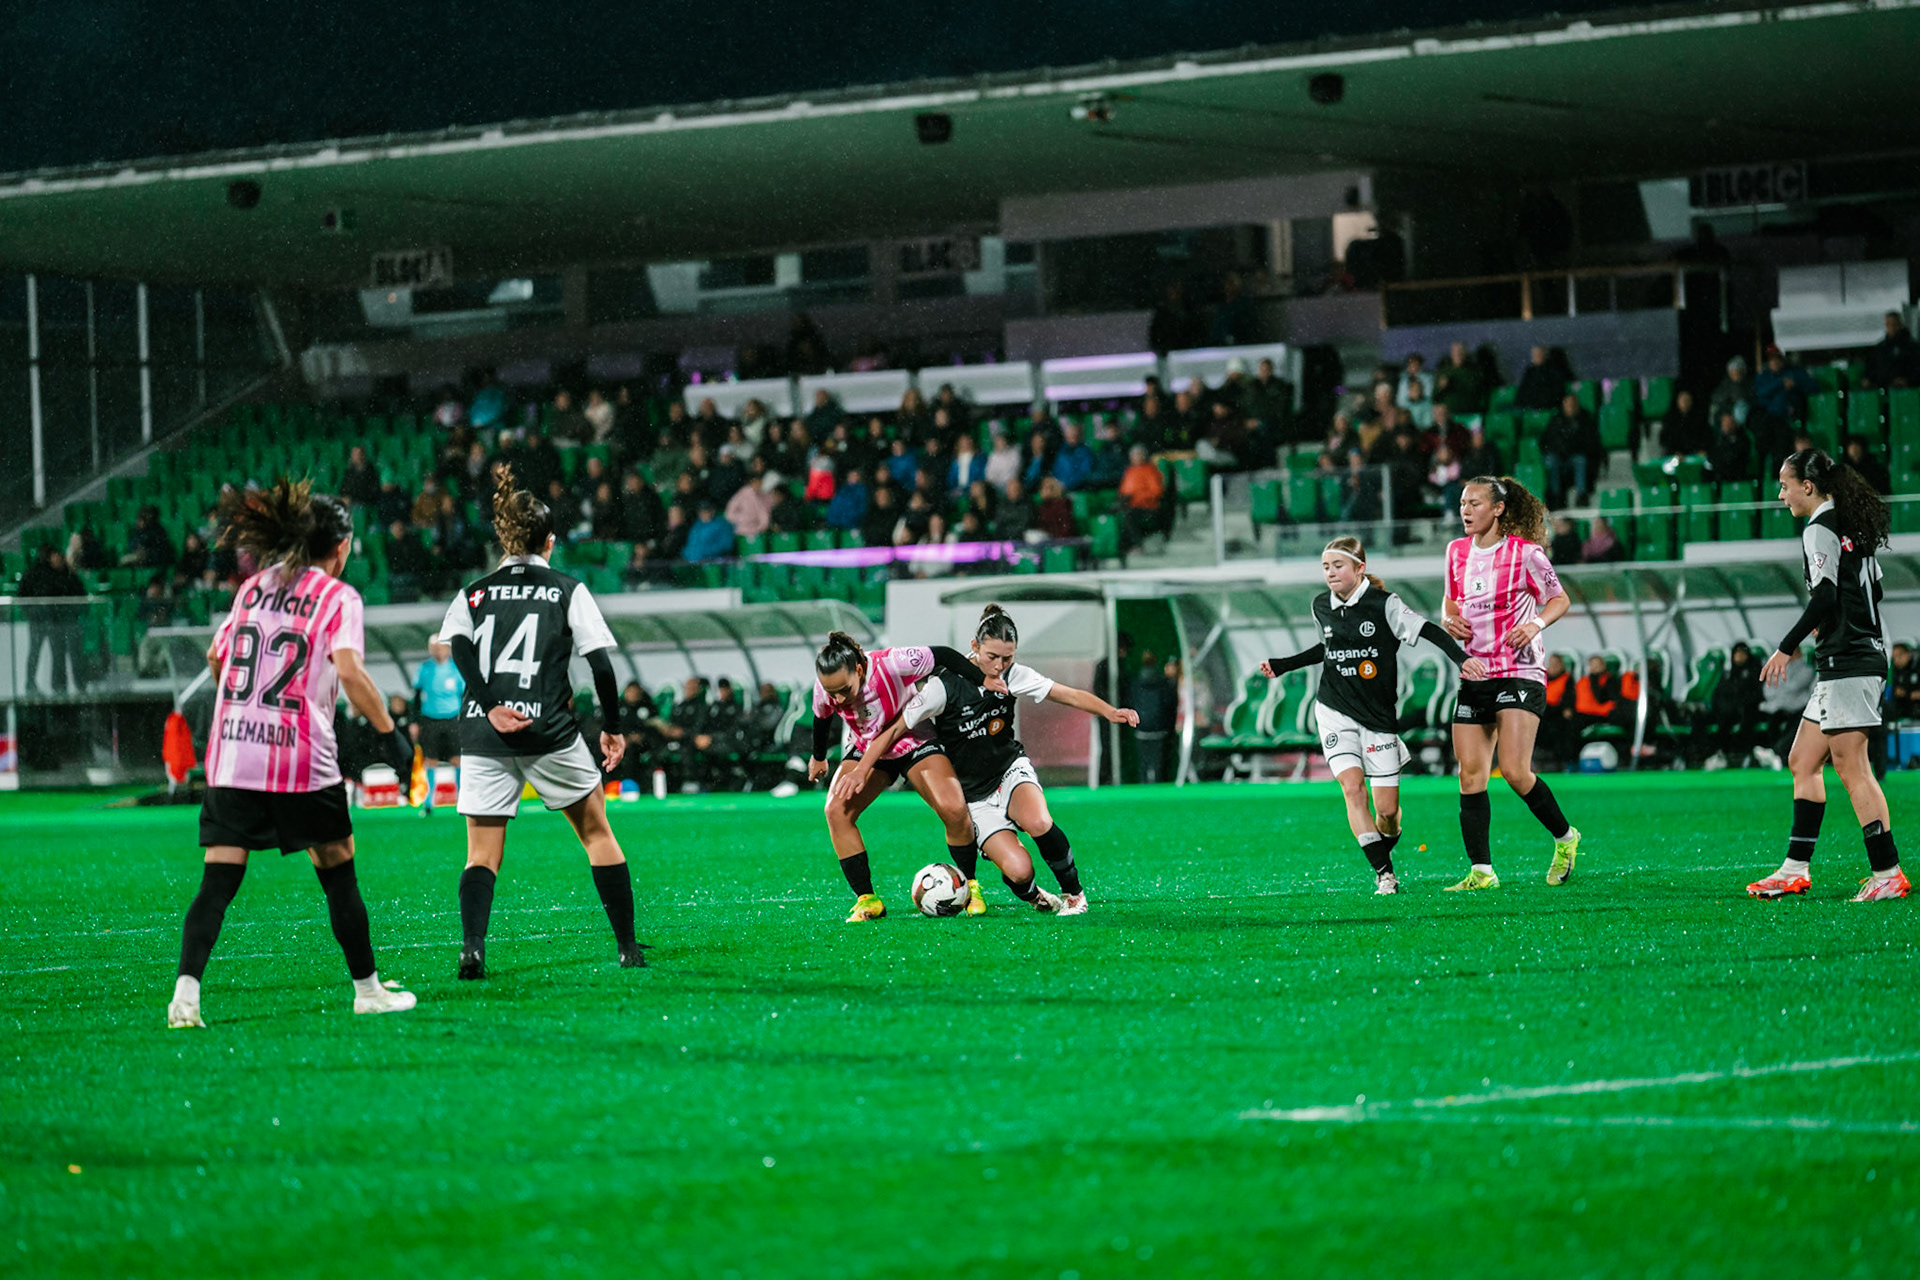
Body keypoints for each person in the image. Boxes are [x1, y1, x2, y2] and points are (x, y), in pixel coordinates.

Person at [167, 479, 417, 1029]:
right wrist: (390, 735)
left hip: (233, 753)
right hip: (300, 754)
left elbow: (217, 657)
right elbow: (349, 670)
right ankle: (368, 990)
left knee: (218, 880)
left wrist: (241, 708)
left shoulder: (253, 587)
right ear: (342, 546)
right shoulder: (338, 597)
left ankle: (185, 997)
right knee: (337, 869)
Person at [436, 466, 648, 979]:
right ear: (549, 541)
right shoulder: (566, 589)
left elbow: (458, 648)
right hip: (547, 730)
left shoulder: (475, 592)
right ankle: (627, 947)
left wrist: (488, 705)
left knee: (481, 853)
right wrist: (613, 727)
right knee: (597, 833)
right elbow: (600, 663)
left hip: (485, 733)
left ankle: (473, 948)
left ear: (503, 539)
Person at [843, 606, 1137, 916]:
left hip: (1008, 771)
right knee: (1020, 872)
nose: (998, 665)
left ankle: (1075, 895)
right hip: (974, 798)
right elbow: (896, 729)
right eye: (991, 656)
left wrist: (1109, 711)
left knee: (1038, 821)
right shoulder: (944, 686)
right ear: (974, 647)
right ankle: (1034, 895)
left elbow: (1067, 694)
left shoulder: (1014, 675)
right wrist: (862, 769)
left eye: (1006, 658)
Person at [1262, 538, 1487, 893]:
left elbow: (1427, 629)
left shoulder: (1386, 605)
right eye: (1326, 567)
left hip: (1378, 719)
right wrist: (1283, 665)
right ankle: (1385, 873)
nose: (1331, 573)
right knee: (1352, 788)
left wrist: (1463, 660)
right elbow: (1328, 647)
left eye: (1338, 566)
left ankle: (1387, 838)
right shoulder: (1320, 605)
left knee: (1387, 812)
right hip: (1333, 709)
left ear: (1359, 568)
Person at [1746, 448, 1907, 901]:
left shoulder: (1818, 528)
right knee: (1803, 760)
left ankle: (1887, 872)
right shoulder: (1852, 526)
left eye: (1785, 485)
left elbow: (1825, 597)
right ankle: (1795, 869)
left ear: (1808, 487)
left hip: (1849, 663)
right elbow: (1873, 588)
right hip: (1850, 660)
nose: (1781, 495)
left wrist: (1785, 646)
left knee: (1852, 767)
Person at [1442, 475, 1583, 890]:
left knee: (1516, 771)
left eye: (1475, 503)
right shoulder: (1455, 552)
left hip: (1519, 670)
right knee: (1471, 775)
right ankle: (1482, 872)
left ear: (1499, 509)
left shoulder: (1527, 555)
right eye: (1463, 503)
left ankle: (1565, 837)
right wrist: (1450, 621)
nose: (1465, 510)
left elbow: (1559, 599)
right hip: (1475, 670)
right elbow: (1450, 600)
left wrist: (1535, 624)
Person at [807, 633, 988, 921]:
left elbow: (941, 654)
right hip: (867, 748)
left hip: (914, 741)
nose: (838, 699)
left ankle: (970, 886)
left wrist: (983, 681)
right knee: (836, 812)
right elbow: (821, 716)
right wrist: (818, 756)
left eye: (844, 689)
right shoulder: (826, 687)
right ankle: (867, 900)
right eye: (832, 692)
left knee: (954, 809)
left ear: (859, 669)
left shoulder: (893, 664)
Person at [410, 633, 465, 816]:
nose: (437, 650)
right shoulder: (424, 668)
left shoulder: (457, 668)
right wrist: (415, 722)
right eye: (433, 647)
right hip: (430, 719)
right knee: (430, 760)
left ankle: (461, 800)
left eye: (440, 647)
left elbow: (465, 696)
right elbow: (416, 697)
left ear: (447, 648)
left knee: (457, 759)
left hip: (452, 718)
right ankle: (428, 802)